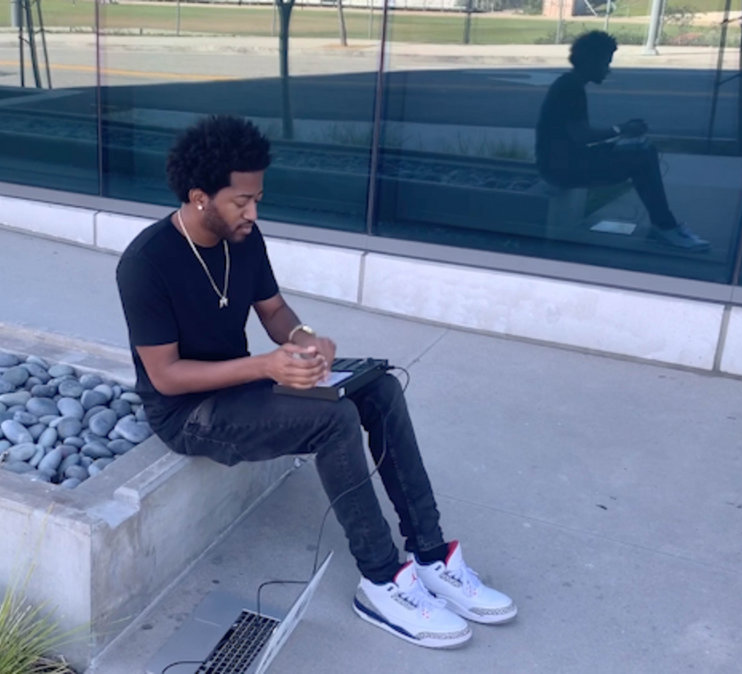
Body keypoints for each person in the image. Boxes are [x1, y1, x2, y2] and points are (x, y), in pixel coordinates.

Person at [115, 115, 516, 650]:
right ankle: (381, 582)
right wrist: (266, 366)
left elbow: (274, 311)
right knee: (333, 419)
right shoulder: (147, 263)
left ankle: (431, 555)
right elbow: (165, 378)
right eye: (242, 201)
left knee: (380, 388)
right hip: (190, 413)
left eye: (258, 199)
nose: (253, 213)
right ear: (199, 197)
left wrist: (305, 340)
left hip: (242, 387)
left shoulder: (243, 238)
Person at [536, 30, 710, 251]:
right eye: (605, 63)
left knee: (643, 150)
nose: (608, 69)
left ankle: (663, 225)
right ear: (591, 62)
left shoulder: (570, 84)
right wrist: (621, 129)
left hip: (567, 160)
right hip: (561, 169)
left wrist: (622, 136)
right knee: (642, 158)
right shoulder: (569, 89)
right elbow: (582, 135)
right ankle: (665, 227)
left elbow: (576, 137)